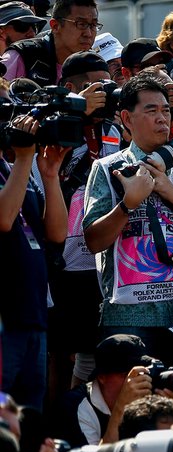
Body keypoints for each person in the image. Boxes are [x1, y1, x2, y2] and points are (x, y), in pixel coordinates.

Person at [82, 75, 173, 360]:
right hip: (128, 315)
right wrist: (128, 204)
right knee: (131, 400)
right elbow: (93, 241)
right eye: (151, 111)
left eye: (166, 110)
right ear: (127, 118)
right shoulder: (109, 168)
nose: (162, 118)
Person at [43, 51, 122, 389]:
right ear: (69, 88)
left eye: (104, 86)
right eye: (90, 87)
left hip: (103, 259)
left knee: (96, 352)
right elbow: (51, 176)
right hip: (63, 259)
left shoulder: (115, 132)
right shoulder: (55, 128)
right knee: (60, 351)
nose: (100, 94)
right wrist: (77, 114)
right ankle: (56, 423)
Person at [0, 114, 69, 410]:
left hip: (32, 315)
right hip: (4, 321)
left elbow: (56, 232)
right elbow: (3, 219)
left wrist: (50, 176)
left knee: (30, 422)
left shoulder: (15, 169)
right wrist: (25, 157)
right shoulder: (19, 166)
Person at [54, 334, 160, 446]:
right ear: (101, 377)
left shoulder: (146, 397)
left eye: (140, 373)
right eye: (125, 375)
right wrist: (120, 407)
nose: (134, 380)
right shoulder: (73, 406)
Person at [2, 0, 99, 85]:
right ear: (55, 26)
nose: (88, 34)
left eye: (93, 25)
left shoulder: (96, 64)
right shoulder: (22, 56)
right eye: (81, 24)